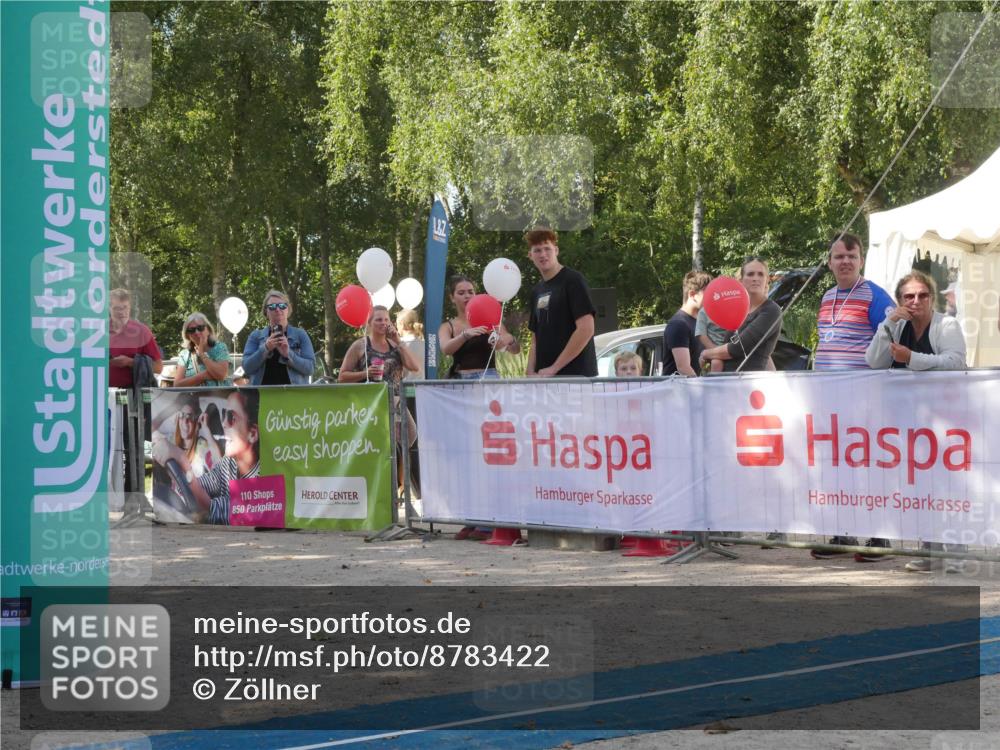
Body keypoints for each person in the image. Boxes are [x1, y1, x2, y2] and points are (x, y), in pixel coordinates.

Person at [864, 271, 968, 573]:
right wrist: (887, 324)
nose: (916, 301)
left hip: (948, 422)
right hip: (908, 423)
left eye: (922, 295)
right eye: (909, 296)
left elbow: (955, 362)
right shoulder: (897, 327)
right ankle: (930, 550)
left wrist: (912, 358)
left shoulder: (946, 325)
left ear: (931, 298)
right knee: (921, 488)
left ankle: (958, 554)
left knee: (950, 488)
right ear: (899, 301)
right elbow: (874, 361)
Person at [811, 234, 896, 560]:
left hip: (864, 403)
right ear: (829, 261)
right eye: (838, 256)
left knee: (870, 467)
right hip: (830, 403)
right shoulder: (826, 296)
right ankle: (841, 533)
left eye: (851, 255)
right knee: (836, 469)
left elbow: (891, 339)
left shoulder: (874, 295)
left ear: (861, 259)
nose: (845, 261)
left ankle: (881, 536)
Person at [525, 227, 597, 378]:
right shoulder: (536, 291)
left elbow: (586, 329)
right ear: (530, 255)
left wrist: (554, 368)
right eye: (537, 250)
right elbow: (535, 338)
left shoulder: (573, 280)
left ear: (556, 250)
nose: (543, 254)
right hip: (545, 379)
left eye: (547, 249)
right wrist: (530, 371)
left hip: (575, 377)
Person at [189, 389, 261, 525]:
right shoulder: (229, 464)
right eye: (223, 415)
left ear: (252, 434)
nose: (224, 424)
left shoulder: (263, 476)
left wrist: (182, 462)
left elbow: (213, 509)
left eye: (232, 418)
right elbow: (203, 484)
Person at [700, 258, 782, 373]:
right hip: (728, 381)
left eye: (760, 274)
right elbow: (727, 346)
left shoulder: (771, 310)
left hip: (750, 383)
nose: (755, 278)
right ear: (741, 280)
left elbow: (737, 348)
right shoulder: (737, 310)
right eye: (750, 274)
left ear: (767, 280)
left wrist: (706, 354)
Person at [151, 396, 223, 517]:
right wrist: (173, 407)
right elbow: (149, 428)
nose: (185, 421)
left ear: (196, 422)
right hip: (174, 507)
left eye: (189, 417)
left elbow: (221, 470)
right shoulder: (171, 441)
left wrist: (205, 429)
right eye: (182, 416)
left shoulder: (203, 448)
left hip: (196, 511)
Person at [438, 275, 520, 379]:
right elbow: (446, 349)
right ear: (452, 298)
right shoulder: (447, 326)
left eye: (470, 292)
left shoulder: (490, 318)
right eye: (461, 293)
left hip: (488, 377)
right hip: (460, 380)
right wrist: (464, 336)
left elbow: (515, 349)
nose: (467, 296)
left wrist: (508, 342)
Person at [243, 290, 316, 385]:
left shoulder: (300, 335)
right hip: (262, 396)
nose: (277, 309)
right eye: (272, 307)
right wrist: (266, 348)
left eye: (282, 306)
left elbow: (310, 368)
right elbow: (247, 368)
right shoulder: (256, 336)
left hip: (293, 395)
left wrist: (288, 354)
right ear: (266, 311)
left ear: (288, 309)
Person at [109, 288, 163, 388]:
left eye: (125, 307)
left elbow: (158, 367)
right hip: (100, 394)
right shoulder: (98, 332)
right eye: (116, 308)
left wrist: (130, 362)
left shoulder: (142, 331)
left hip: (132, 395)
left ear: (130, 308)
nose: (122, 312)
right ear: (109, 308)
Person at [662, 271, 713, 376]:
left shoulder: (699, 322)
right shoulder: (678, 324)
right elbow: (683, 368)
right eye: (708, 294)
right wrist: (701, 389)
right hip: (678, 391)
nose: (712, 298)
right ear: (692, 295)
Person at [172, 313, 233, 387]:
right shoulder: (184, 355)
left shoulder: (220, 348)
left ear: (209, 330)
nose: (197, 332)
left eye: (200, 328)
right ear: (187, 335)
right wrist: (203, 376)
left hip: (218, 397)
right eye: (192, 330)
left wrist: (202, 354)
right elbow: (177, 385)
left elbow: (221, 375)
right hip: (193, 398)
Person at [696, 307, 732, 374]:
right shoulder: (704, 311)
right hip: (712, 348)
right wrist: (715, 351)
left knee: (715, 363)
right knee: (714, 362)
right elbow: (701, 335)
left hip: (729, 347)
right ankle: (711, 382)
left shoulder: (733, 307)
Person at [396, 309, 426, 380]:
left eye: (397, 324)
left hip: (405, 386)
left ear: (401, 325)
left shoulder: (399, 344)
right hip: (422, 385)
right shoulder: (423, 343)